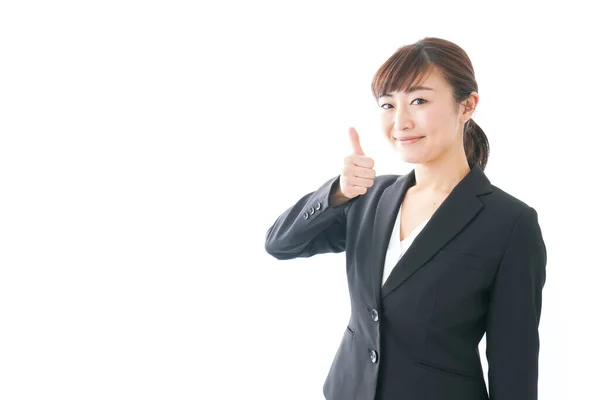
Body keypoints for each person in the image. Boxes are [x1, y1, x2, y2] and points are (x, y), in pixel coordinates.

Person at [264, 37, 546, 400]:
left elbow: (515, 368)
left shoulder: (509, 222)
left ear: (467, 105)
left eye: (419, 100)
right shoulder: (368, 198)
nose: (400, 121)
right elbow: (280, 244)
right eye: (387, 104)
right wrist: (336, 191)